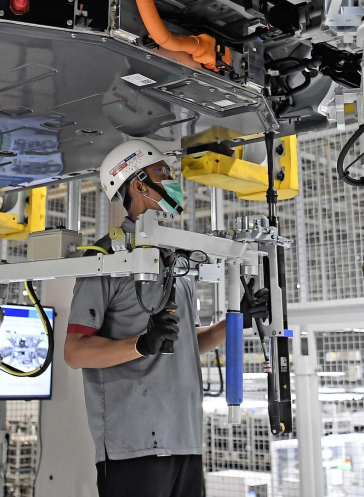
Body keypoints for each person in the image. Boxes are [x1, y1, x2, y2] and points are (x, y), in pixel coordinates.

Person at [64, 139, 269, 497]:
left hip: (186, 440)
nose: (174, 181)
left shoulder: (177, 261)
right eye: (165, 173)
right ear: (138, 185)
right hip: (134, 446)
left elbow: (183, 341)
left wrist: (236, 322)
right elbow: (75, 352)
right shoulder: (106, 260)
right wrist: (141, 344)